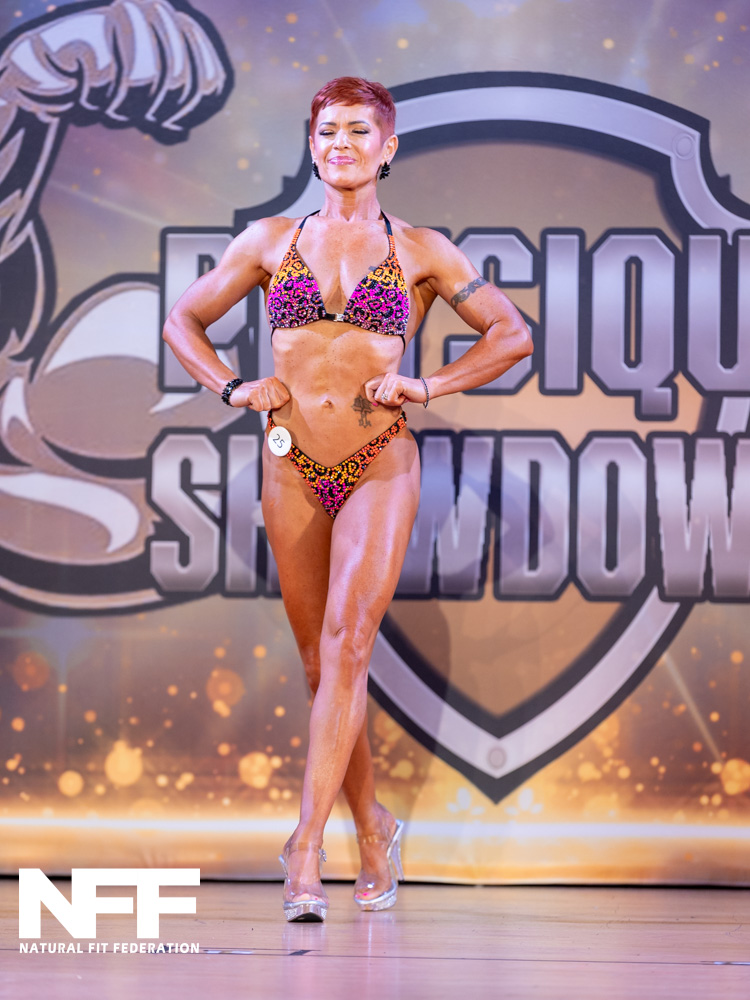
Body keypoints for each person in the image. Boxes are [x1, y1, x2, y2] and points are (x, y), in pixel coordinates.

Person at [163, 76, 533, 922]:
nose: (342, 143)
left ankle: (304, 849)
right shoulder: (270, 241)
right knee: (321, 665)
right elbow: (184, 321)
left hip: (378, 462)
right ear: (312, 144)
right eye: (328, 130)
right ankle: (373, 825)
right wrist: (232, 388)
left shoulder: (424, 250)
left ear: (387, 147)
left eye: (359, 130)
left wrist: (429, 385)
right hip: (290, 464)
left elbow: (512, 334)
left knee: (346, 643)